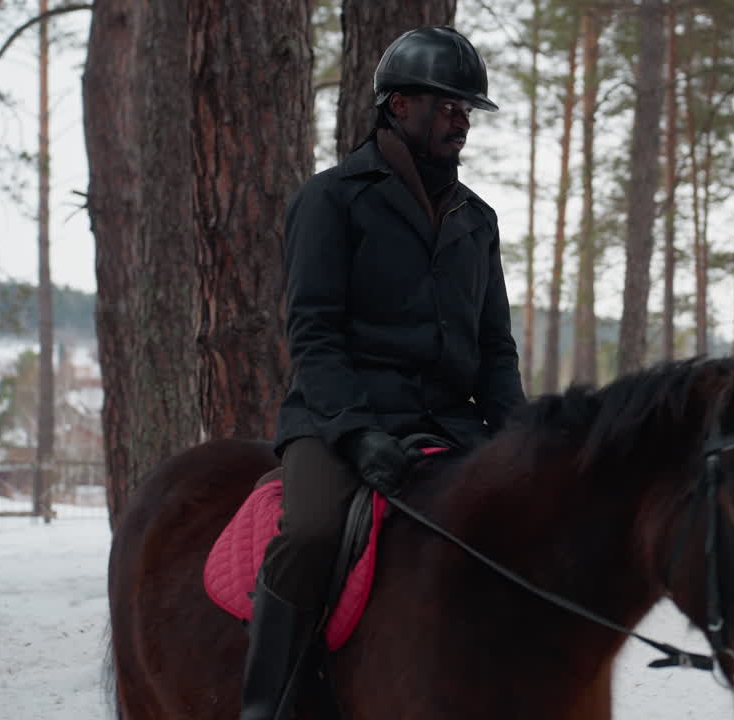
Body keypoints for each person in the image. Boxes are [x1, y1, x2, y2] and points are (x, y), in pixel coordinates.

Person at [240, 26, 526, 720]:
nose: (462, 121)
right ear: (398, 105)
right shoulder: (332, 200)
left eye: (468, 110)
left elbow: (495, 350)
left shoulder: (476, 220)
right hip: (339, 421)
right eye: (449, 106)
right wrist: (356, 432)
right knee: (309, 534)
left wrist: (522, 439)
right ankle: (265, 705)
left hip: (449, 423)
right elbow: (313, 332)